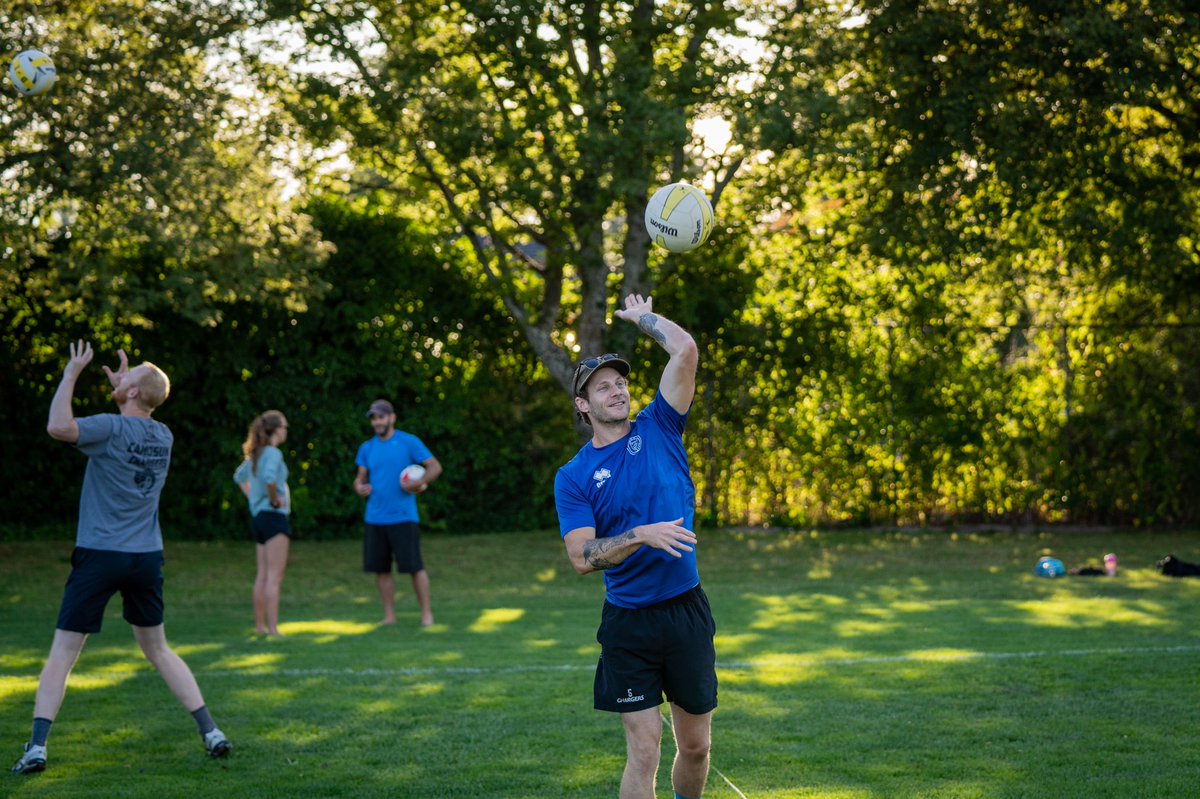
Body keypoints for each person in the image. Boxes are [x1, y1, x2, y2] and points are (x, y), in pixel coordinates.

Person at [11, 341, 231, 776]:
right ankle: (211, 732)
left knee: (63, 653)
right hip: (145, 557)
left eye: (128, 377)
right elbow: (137, 414)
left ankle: (36, 748)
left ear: (132, 394)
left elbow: (58, 427)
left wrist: (72, 373)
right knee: (159, 649)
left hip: (100, 554)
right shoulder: (163, 435)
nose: (120, 377)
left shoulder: (110, 429)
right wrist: (126, 387)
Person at [553, 294, 716, 799]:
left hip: (685, 611)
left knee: (696, 748)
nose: (616, 390)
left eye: (620, 382)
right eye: (602, 387)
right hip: (628, 622)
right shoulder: (574, 476)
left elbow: (685, 349)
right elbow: (581, 557)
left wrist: (641, 317)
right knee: (644, 750)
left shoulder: (660, 425)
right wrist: (641, 534)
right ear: (583, 404)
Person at [353, 399, 443, 626]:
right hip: (375, 517)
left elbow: (435, 466)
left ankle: (426, 614)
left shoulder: (408, 442)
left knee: (415, 568)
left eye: (381, 417)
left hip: (403, 517)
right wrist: (359, 487)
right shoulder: (367, 448)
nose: (377, 422)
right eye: (374, 418)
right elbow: (360, 477)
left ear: (391, 418)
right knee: (381, 570)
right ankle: (389, 616)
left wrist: (419, 483)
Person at [234, 410, 292, 637]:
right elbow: (269, 479)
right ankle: (273, 629)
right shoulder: (273, 454)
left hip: (259, 518)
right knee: (274, 576)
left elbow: (238, 478)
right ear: (276, 430)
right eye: (284, 427)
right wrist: (273, 499)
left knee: (263, 574)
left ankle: (260, 627)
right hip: (274, 517)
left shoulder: (256, 454)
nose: (286, 431)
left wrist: (253, 500)